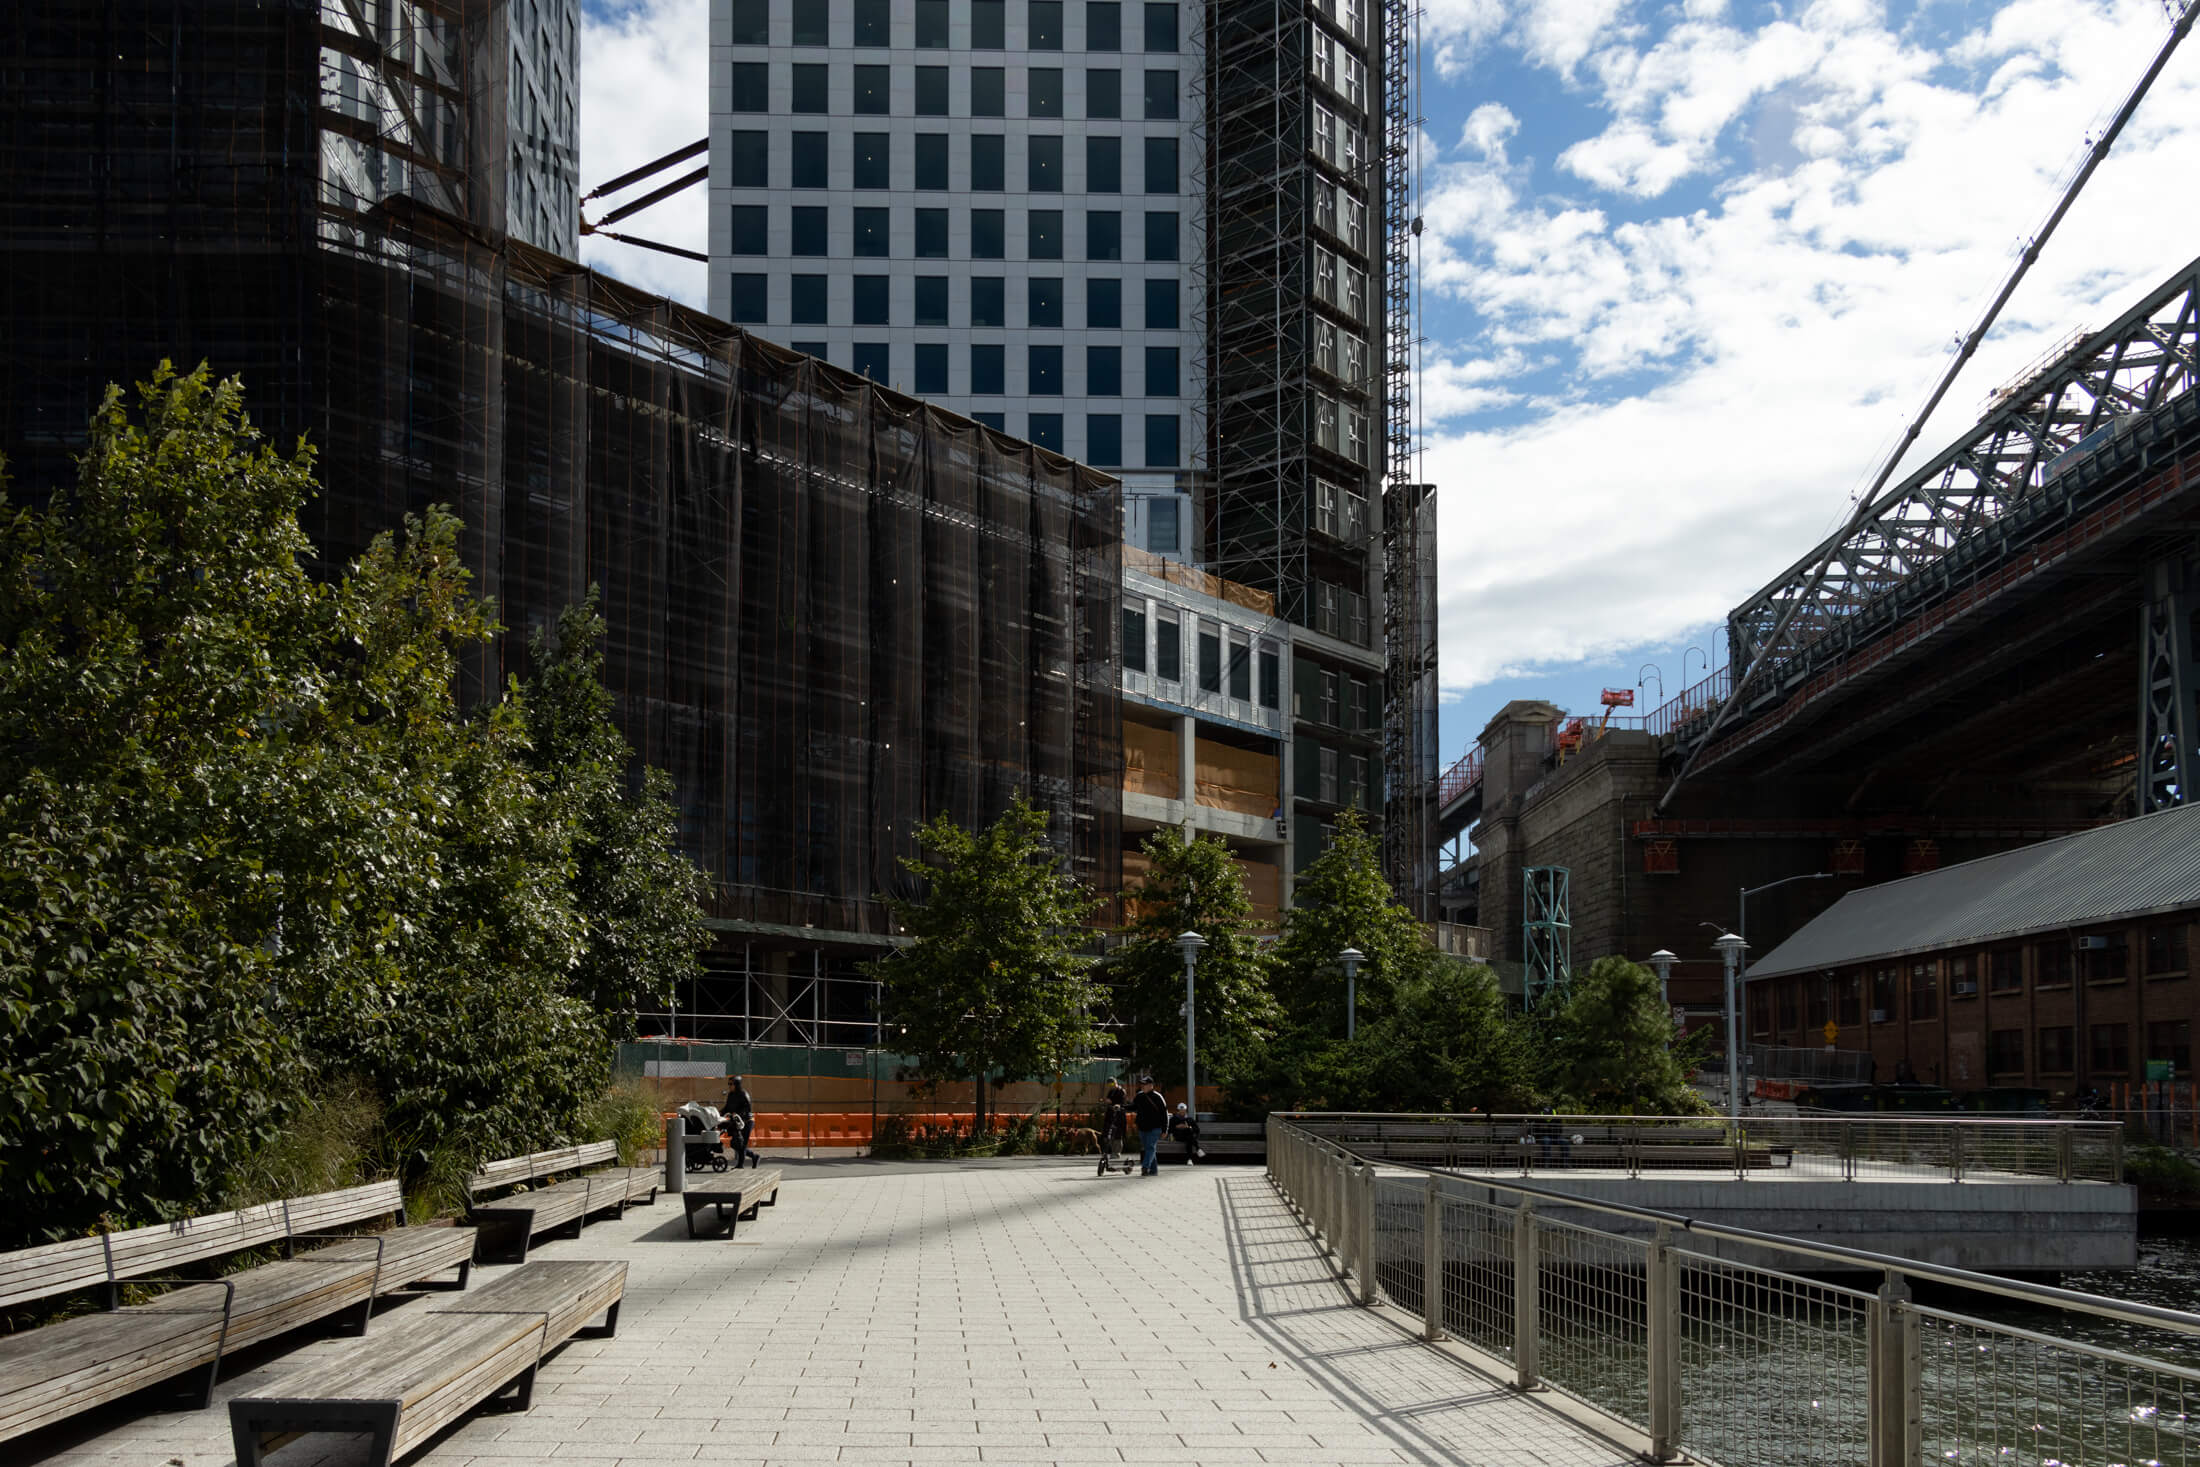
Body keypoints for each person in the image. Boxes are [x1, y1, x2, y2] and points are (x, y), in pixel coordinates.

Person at [1131, 1076, 1170, 1176]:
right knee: (1148, 1148)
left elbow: (1164, 1114)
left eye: (1145, 1084)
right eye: (1142, 1084)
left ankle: (1145, 1167)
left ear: (1151, 1086)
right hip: (1142, 1127)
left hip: (1155, 1128)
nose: (1142, 1086)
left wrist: (1165, 1130)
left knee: (1151, 1148)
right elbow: (1133, 1106)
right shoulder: (1139, 1096)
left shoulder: (1158, 1097)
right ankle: (1154, 1171)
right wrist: (1121, 1106)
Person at [721, 1075, 756, 1169]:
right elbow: (727, 1108)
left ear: (737, 1084)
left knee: (742, 1143)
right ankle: (754, 1156)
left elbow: (748, 1109)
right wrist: (718, 1114)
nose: (729, 1086)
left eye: (731, 1084)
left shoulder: (744, 1094)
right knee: (734, 1143)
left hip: (747, 1122)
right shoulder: (731, 1095)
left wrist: (738, 1114)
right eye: (728, 1084)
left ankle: (740, 1165)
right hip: (736, 1121)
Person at [1170, 1102, 1202, 1166]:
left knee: (1189, 1137)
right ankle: (1198, 1148)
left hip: (1188, 1137)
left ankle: (1189, 1159)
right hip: (1178, 1136)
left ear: (1185, 1111)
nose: (1182, 1112)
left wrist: (1189, 1127)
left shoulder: (1189, 1119)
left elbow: (1197, 1130)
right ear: (1178, 1111)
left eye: (1183, 1111)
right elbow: (1169, 1129)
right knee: (1189, 1136)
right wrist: (1177, 1127)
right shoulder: (1173, 1119)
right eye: (1180, 1111)